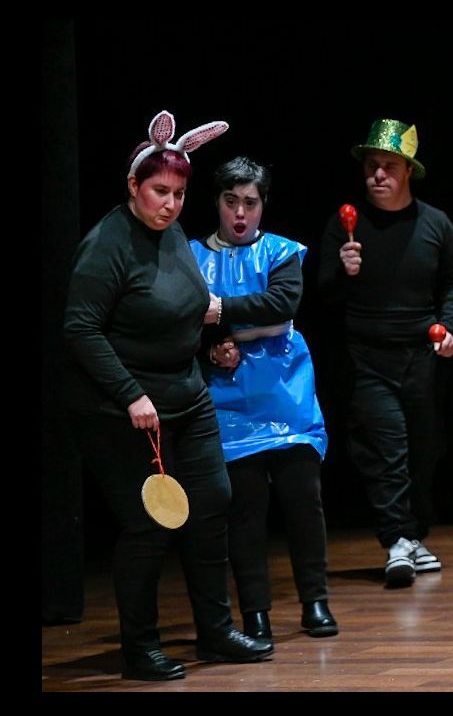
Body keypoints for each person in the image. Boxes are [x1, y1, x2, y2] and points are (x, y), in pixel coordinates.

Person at [63, 111, 273, 680]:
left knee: (211, 506)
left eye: (179, 194)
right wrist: (130, 394)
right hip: (121, 406)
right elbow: (80, 329)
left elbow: (182, 306)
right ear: (133, 186)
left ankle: (215, 631)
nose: (171, 204)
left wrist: (212, 348)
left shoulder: (172, 231)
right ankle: (140, 647)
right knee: (149, 524)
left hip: (186, 393)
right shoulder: (106, 246)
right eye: (160, 191)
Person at [318, 118, 453, 587]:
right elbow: (322, 294)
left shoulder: (435, 224)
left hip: (421, 357)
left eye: (387, 166)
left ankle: (411, 535)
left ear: (408, 171)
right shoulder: (346, 225)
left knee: (424, 450)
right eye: (370, 166)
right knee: (387, 450)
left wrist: (449, 329)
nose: (377, 175)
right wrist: (343, 271)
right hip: (367, 358)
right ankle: (396, 540)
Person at [192, 156, 336, 644]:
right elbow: (181, 319)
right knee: (245, 513)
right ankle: (255, 612)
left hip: (286, 392)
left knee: (303, 502)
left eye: (249, 203)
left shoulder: (280, 251)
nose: (240, 213)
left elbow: (282, 304)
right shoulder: (192, 258)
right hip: (229, 402)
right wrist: (211, 346)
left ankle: (314, 602)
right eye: (231, 201)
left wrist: (223, 316)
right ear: (217, 202)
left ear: (263, 205)